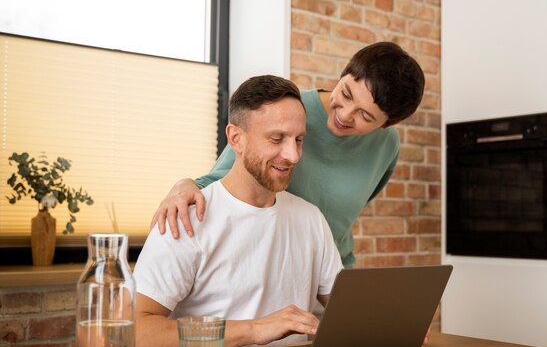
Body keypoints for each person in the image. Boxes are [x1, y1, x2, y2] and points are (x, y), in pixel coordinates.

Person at [151, 41, 425, 268]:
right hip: (270, 272)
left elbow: (343, 217)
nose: (344, 114)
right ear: (343, 74)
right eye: (346, 94)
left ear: (387, 124)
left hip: (331, 279)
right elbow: (223, 181)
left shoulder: (386, 146)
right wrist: (183, 185)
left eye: (365, 115)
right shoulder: (290, 113)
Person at [134, 75, 343, 347]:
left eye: (299, 140)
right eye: (277, 139)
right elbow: (135, 332)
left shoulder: (311, 219)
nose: (292, 155)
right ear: (236, 138)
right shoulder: (186, 218)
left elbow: (348, 312)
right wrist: (254, 329)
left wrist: (392, 319)